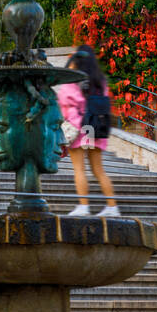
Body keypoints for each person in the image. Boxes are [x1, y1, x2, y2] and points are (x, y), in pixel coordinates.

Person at [55, 46, 120, 218]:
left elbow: (64, 101)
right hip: (94, 126)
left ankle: (84, 206)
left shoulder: (73, 79)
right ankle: (112, 207)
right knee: (98, 169)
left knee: (79, 169)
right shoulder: (100, 81)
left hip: (79, 127)